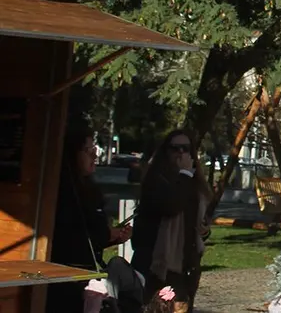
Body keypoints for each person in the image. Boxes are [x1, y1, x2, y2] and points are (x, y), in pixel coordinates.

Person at [48, 124, 133, 312]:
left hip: (83, 278)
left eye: (94, 149)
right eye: (88, 150)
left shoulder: (87, 188)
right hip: (63, 281)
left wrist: (113, 237)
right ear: (73, 153)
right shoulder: (62, 190)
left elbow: (90, 239)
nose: (94, 155)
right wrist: (106, 234)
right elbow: (70, 236)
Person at [131, 130, 212, 312]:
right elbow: (170, 206)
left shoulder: (192, 181)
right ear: (165, 152)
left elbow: (199, 217)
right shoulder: (156, 180)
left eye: (186, 148)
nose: (181, 153)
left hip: (186, 263)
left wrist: (205, 230)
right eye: (175, 148)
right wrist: (184, 173)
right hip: (157, 263)